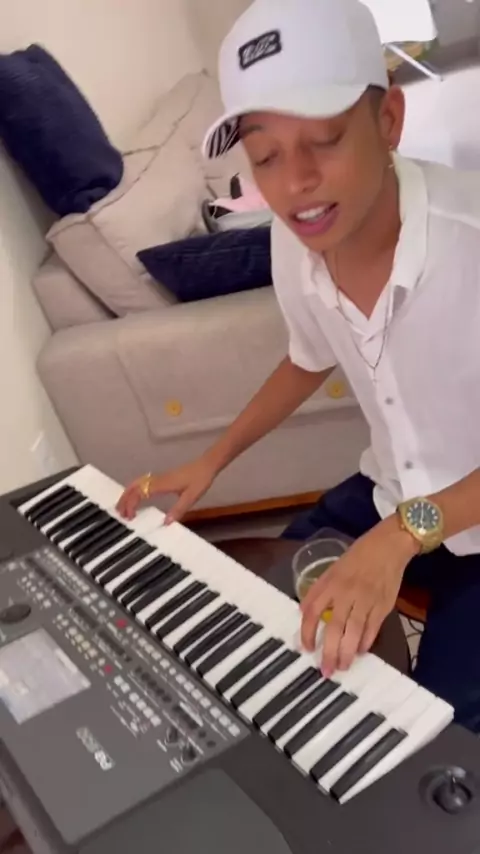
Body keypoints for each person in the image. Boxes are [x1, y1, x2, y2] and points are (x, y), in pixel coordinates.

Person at [118, 0, 480, 731]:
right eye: (266, 157)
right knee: (255, 614)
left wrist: (401, 537)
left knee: (439, 752)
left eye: (324, 140)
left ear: (389, 121)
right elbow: (306, 359)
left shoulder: (468, 244)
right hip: (393, 494)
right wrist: (212, 459)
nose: (296, 184)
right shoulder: (299, 239)